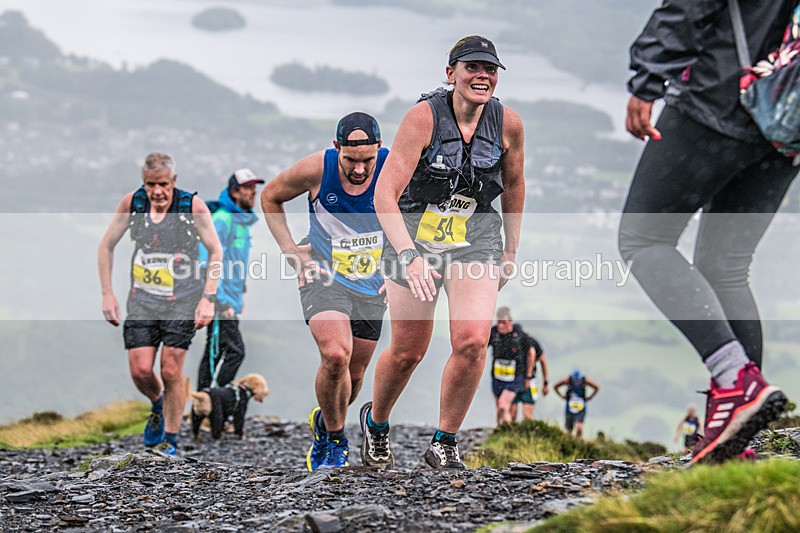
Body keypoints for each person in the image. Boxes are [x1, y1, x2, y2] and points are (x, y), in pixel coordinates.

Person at [620, 0, 792, 464]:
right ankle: (735, 431)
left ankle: (736, 380)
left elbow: (690, 6)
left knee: (644, 239)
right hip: (788, 121)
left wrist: (648, 78)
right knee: (726, 267)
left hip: (722, 96)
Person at [360, 35, 525, 470]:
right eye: (472, 67)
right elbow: (384, 195)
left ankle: (445, 442)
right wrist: (408, 255)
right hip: (412, 238)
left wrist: (511, 249)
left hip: (475, 239)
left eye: (490, 69)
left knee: (472, 340)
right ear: (450, 73)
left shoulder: (508, 124)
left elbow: (515, 186)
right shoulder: (423, 118)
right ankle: (376, 423)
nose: (482, 76)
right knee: (408, 351)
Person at [261, 112, 388, 470]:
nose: (360, 170)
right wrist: (290, 251)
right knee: (336, 355)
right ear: (336, 149)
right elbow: (270, 197)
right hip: (323, 274)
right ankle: (334, 439)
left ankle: (324, 420)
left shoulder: (396, 166)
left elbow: (419, 215)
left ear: (380, 149)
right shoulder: (318, 168)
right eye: (351, 160)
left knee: (355, 374)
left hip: (372, 283)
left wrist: (398, 269)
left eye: (368, 160)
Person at [98, 152, 222, 456]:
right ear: (144, 182)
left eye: (163, 184)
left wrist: (208, 298)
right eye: (151, 184)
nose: (157, 191)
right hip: (142, 300)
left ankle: (169, 438)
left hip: (183, 300)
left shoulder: (191, 206)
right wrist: (107, 294)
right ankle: (157, 404)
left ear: (174, 181)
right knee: (141, 371)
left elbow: (216, 251)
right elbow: (106, 246)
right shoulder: (133, 204)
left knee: (170, 370)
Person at [197, 168, 264, 391]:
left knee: (214, 351)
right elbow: (207, 260)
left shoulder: (241, 223)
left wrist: (241, 293)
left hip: (231, 299)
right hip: (219, 299)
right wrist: (221, 300)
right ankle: (214, 402)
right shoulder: (223, 219)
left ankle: (205, 406)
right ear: (234, 192)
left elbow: (235, 263)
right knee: (235, 351)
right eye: (248, 188)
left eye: (254, 187)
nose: (253, 192)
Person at [487, 306, 548, 425]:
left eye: (503, 322)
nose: (500, 326)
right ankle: (501, 433)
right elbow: (481, 350)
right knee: (505, 410)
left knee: (511, 409)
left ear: (510, 321)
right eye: (498, 322)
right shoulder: (494, 334)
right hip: (498, 378)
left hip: (519, 378)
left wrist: (533, 379)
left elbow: (536, 357)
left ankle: (515, 435)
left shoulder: (522, 337)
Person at [554, 371, 599, 439]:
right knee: (568, 430)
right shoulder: (568, 379)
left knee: (579, 427)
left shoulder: (584, 380)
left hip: (581, 408)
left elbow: (596, 387)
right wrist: (562, 396)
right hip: (569, 408)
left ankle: (578, 442)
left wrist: (590, 397)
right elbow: (555, 386)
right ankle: (569, 444)